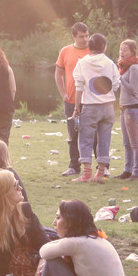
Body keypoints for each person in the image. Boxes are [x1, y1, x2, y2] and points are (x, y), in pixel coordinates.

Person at [72, 34, 119, 184]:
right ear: (104, 46)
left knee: (85, 139)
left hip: (90, 107)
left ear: (89, 47)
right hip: (108, 107)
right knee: (104, 140)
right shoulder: (110, 63)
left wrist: (76, 107)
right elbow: (116, 84)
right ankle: (100, 172)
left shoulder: (82, 63)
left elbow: (78, 86)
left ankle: (86, 173)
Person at [54, 23, 91, 177]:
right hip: (71, 101)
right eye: (81, 36)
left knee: (92, 134)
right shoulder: (65, 51)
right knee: (73, 134)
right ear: (74, 36)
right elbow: (58, 74)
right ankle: (74, 166)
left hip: (90, 100)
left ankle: (99, 168)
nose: (85, 39)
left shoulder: (93, 50)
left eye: (87, 35)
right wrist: (63, 93)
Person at [117, 39, 138, 181]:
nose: (121, 52)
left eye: (125, 50)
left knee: (135, 143)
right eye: (121, 49)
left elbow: (132, 88)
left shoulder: (134, 67)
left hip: (133, 109)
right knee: (126, 143)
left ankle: (136, 173)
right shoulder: (124, 67)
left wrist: (120, 78)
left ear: (132, 52)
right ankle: (127, 170)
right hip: (124, 108)